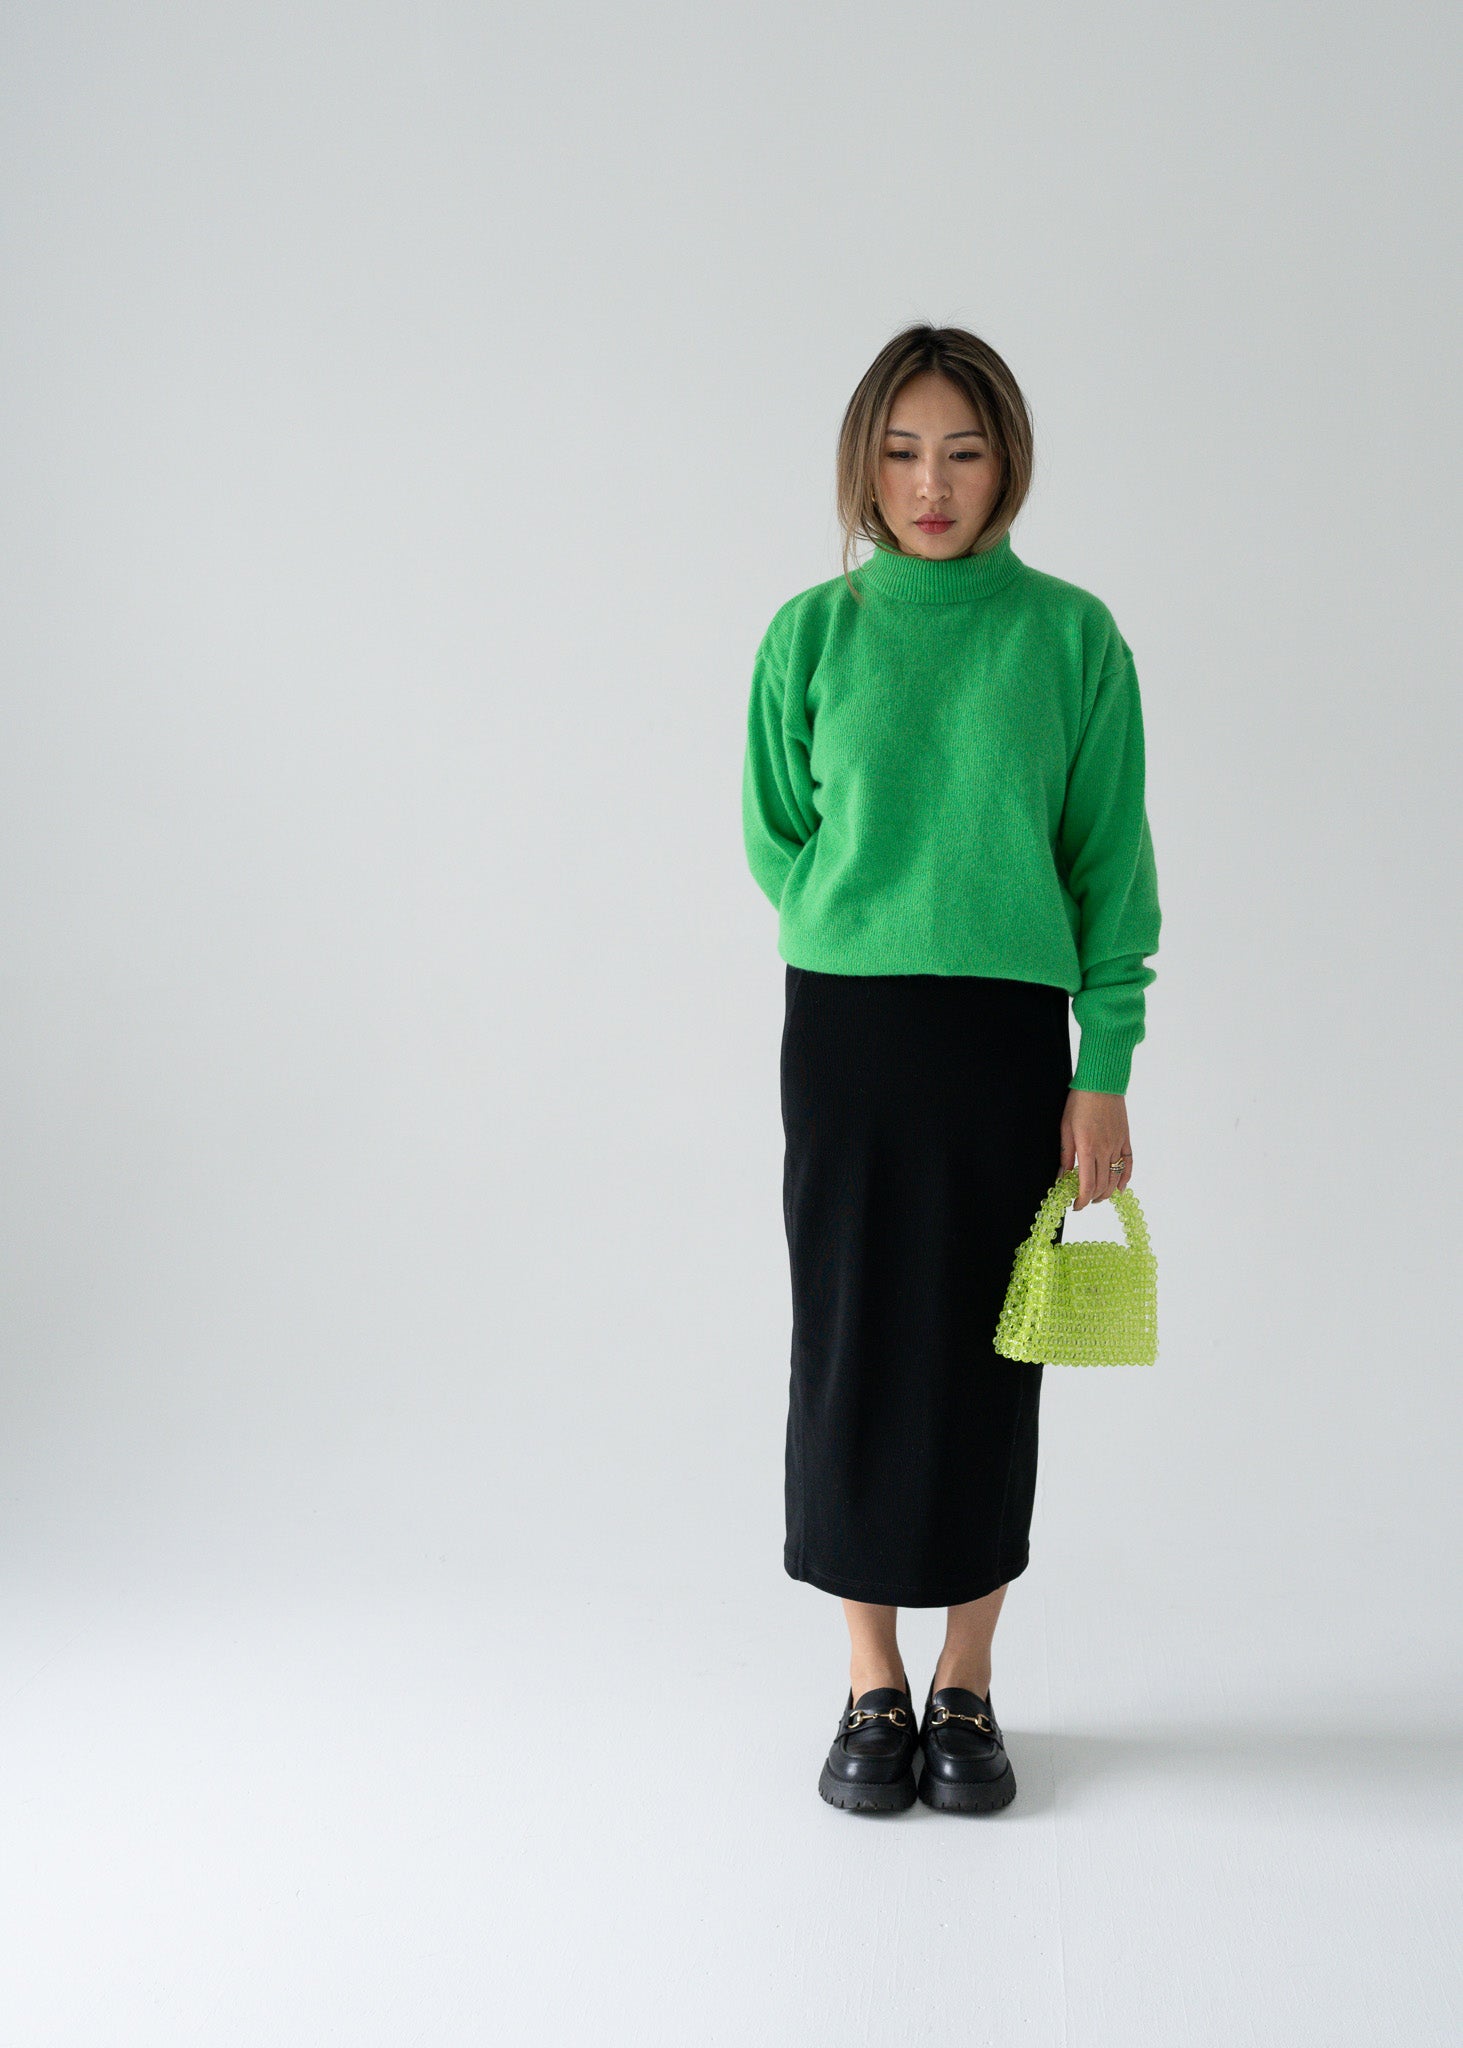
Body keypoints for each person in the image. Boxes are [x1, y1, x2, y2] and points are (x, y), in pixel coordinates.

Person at [741, 324, 1162, 1815]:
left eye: (965, 450)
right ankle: (869, 1683)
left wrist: (1098, 1065)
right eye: (904, 450)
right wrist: (857, 912)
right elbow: (775, 829)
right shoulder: (813, 631)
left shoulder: (1070, 637)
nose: (933, 483)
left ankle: (968, 1684)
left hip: (1005, 1040)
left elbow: (1112, 871)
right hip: (848, 1032)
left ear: (1009, 466)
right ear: (865, 461)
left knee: (995, 1349)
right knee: (852, 1336)